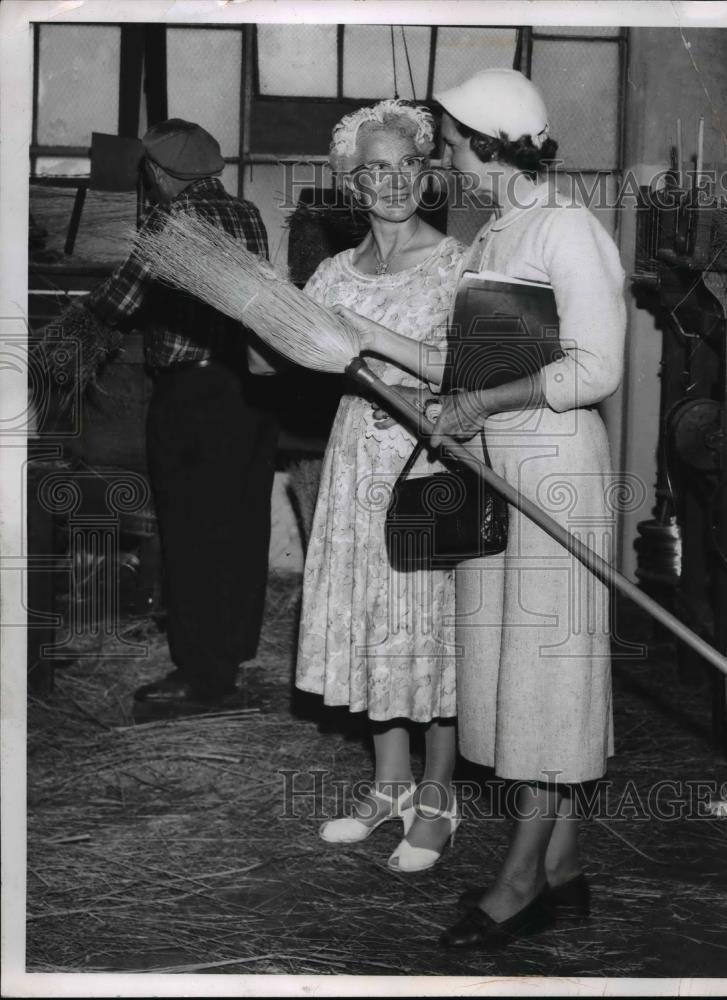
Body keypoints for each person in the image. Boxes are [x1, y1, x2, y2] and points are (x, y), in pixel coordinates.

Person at [426, 68, 627, 947]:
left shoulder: (570, 229)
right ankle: (565, 866)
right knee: (514, 673)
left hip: (553, 473)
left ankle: (520, 881)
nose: (446, 157)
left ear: (487, 142)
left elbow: (595, 370)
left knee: (548, 674)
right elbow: (465, 359)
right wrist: (369, 350)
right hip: (490, 470)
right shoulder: (493, 233)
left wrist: (481, 404)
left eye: (452, 141)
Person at [294, 99, 465, 871]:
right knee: (373, 618)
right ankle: (388, 784)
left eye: (408, 165)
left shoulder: (460, 264)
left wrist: (371, 335)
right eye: (375, 168)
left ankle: (438, 797)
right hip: (355, 461)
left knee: (429, 627)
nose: (392, 181)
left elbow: (468, 371)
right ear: (350, 181)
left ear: (427, 174)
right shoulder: (332, 273)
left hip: (429, 463)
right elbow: (298, 363)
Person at [84, 119, 278, 706]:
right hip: (248, 394)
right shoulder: (246, 214)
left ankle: (199, 674)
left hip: (192, 400)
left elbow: (119, 302)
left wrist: (80, 313)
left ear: (162, 174)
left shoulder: (169, 221)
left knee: (190, 533)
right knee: (239, 527)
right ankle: (230, 655)